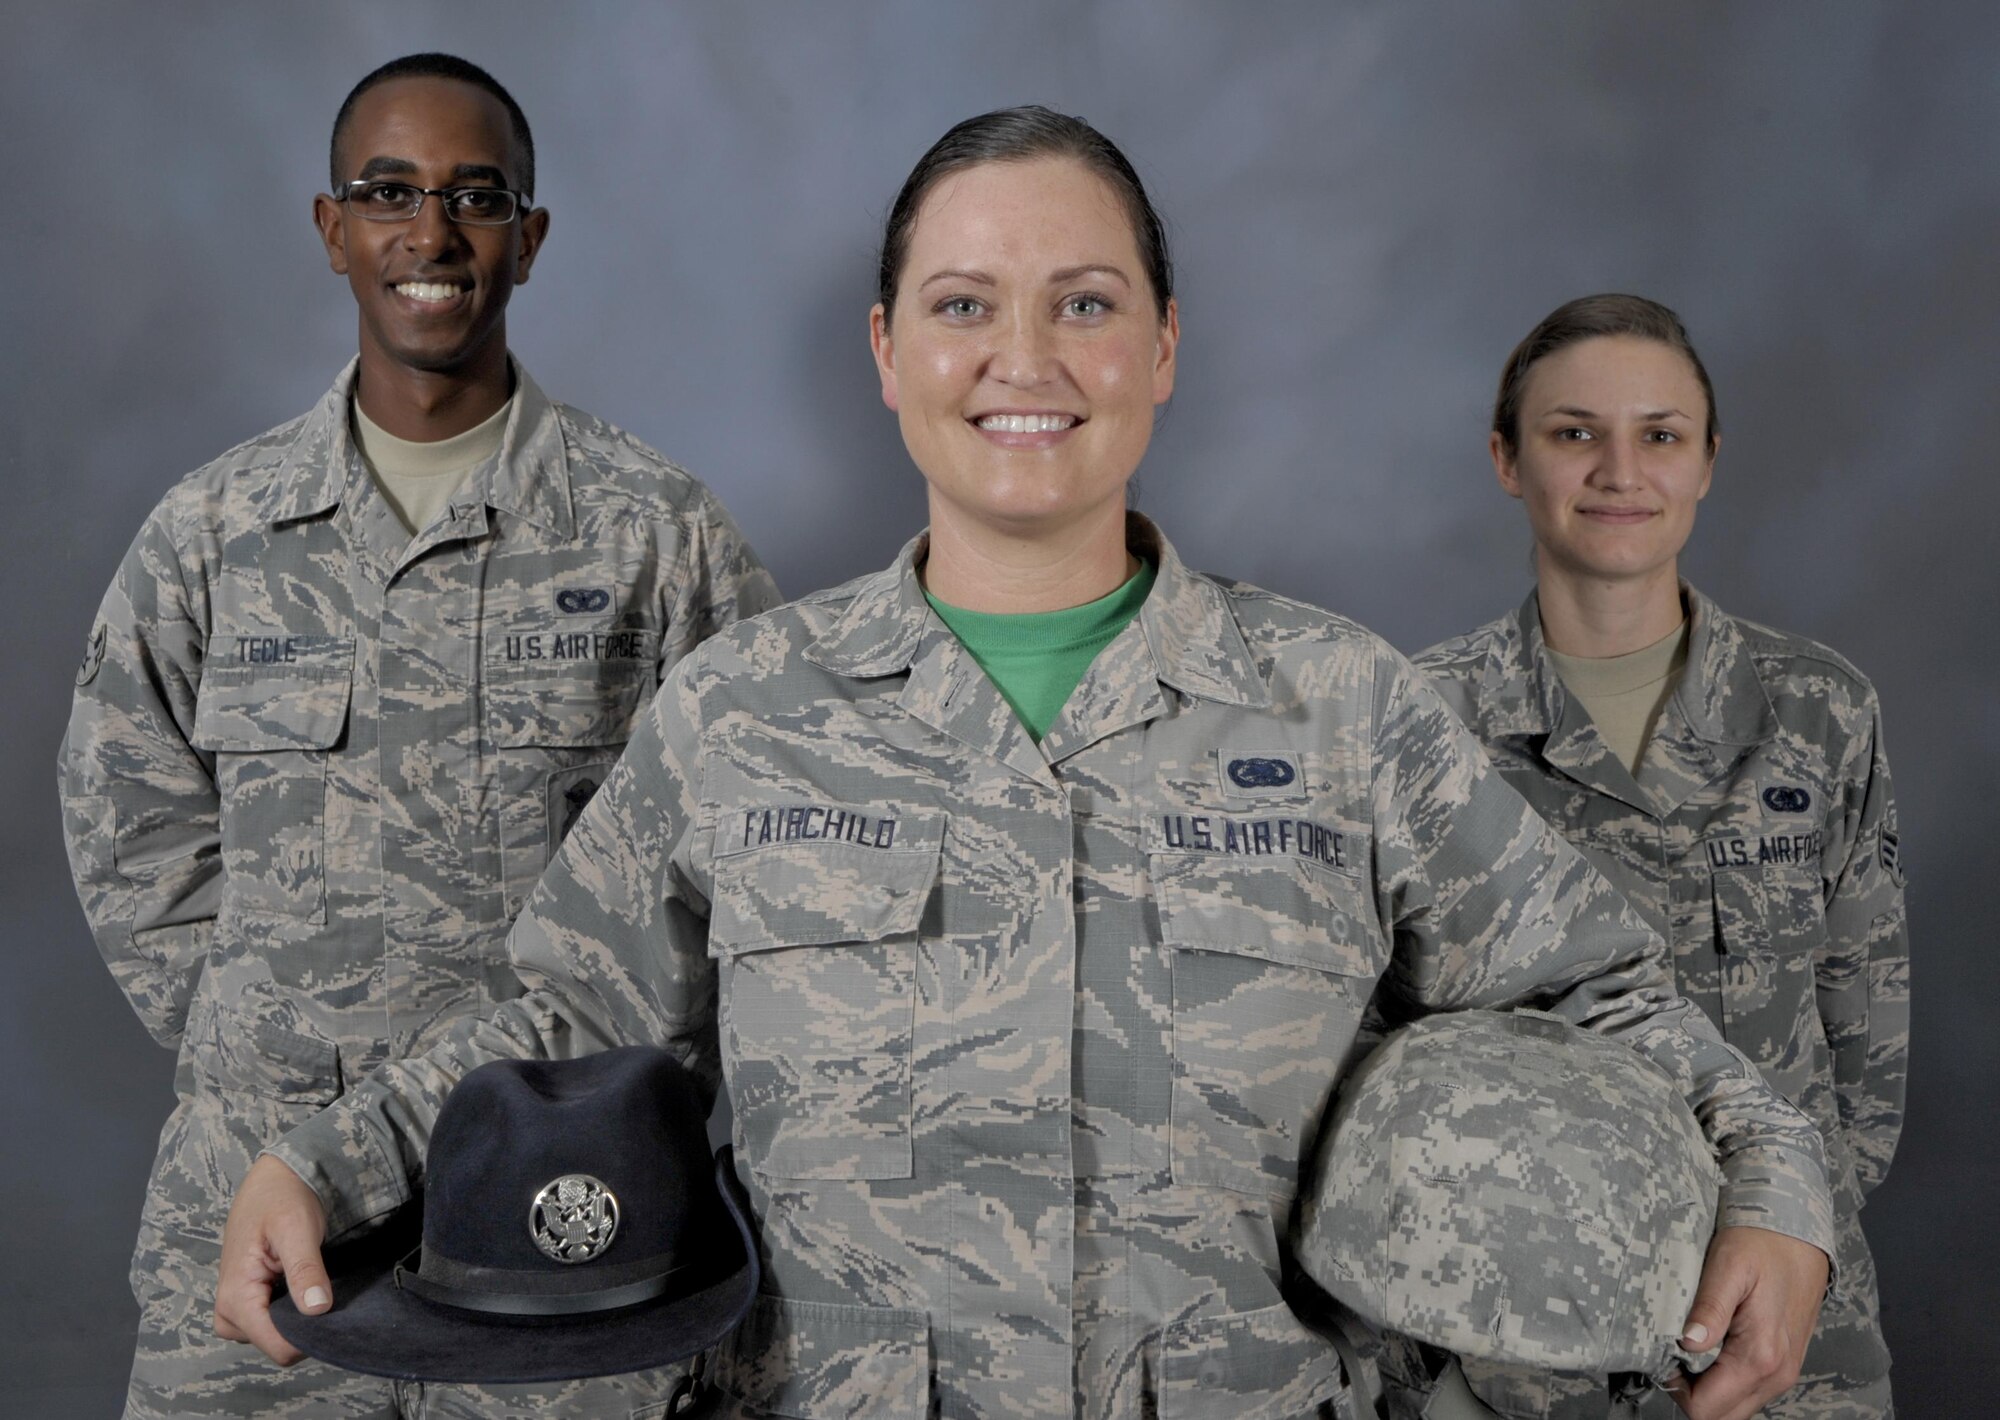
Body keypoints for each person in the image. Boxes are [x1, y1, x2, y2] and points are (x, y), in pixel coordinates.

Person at [219, 109, 1834, 1420]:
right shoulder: (747, 709)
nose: (1026, 356)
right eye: (965, 303)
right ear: (887, 349)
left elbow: (1594, 997)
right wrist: (323, 1164)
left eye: (1085, 301)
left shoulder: (1342, 708)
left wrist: (1775, 1191)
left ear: (1163, 346)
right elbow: (568, 1025)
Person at [59, 52, 778, 1419]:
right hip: (260, 1220)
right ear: (332, 229)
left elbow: (741, 868)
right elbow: (127, 821)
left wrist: (584, 1094)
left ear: (531, 237)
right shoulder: (212, 536)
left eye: (477, 195)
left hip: (566, 1231)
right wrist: (266, 1026)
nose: (432, 234)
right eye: (388, 192)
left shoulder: (658, 537)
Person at [1410, 294, 1908, 1418]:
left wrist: (1780, 1250)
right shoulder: (1417, 722)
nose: (1617, 469)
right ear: (1505, 458)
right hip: (1512, 1361)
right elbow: (1394, 1061)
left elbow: (1862, 1066)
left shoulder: (1819, 712)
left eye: (1660, 434)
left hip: (1790, 1349)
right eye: (1571, 431)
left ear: (1707, 462)